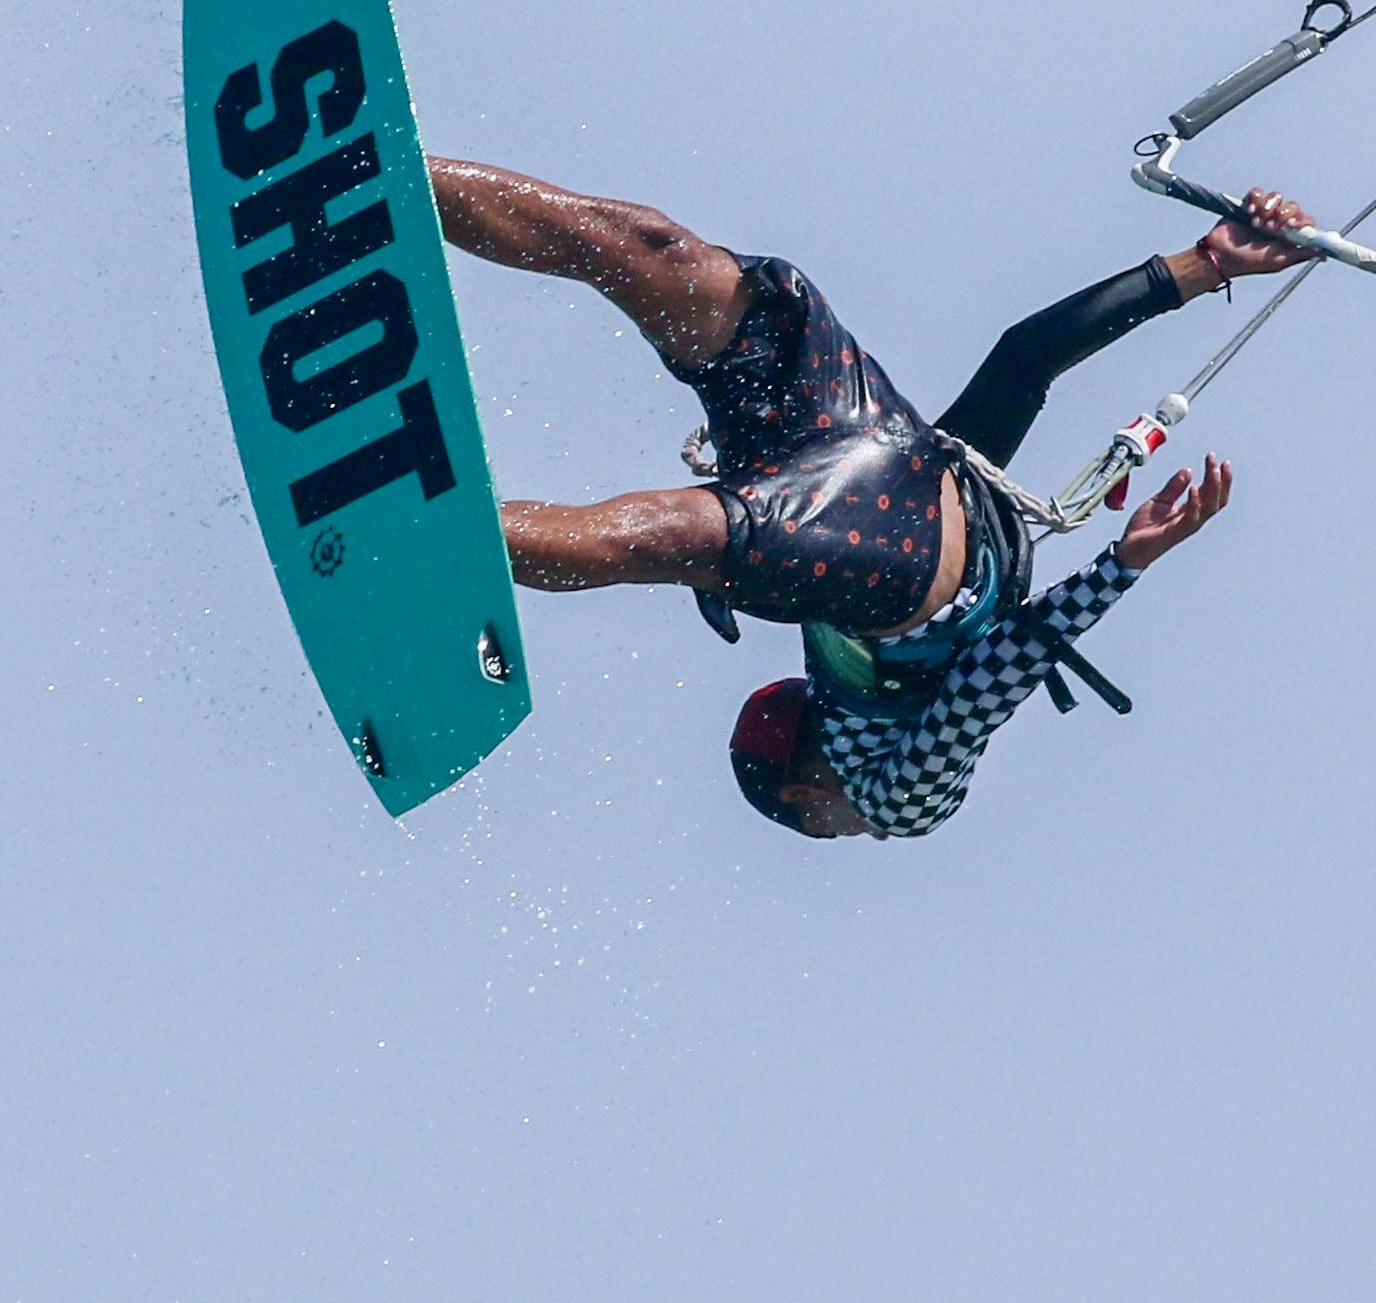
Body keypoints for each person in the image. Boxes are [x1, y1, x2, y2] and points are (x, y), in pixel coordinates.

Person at [426, 158, 1313, 838]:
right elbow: (1022, 361)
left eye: (822, 829)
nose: (852, 837)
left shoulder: (887, 802)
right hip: (884, 460)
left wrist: (1121, 566)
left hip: (882, 521)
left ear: (808, 793)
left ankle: (420, 522)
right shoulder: (875, 739)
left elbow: (991, 683)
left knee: (652, 277)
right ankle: (430, 510)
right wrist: (1206, 260)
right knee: (654, 258)